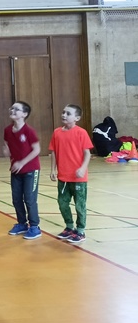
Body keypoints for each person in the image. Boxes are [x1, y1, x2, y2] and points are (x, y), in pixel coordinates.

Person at [49, 104, 93, 244]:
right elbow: (53, 152)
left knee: (80, 205)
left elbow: (87, 153)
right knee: (62, 203)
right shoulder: (57, 132)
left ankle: (80, 230)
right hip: (63, 177)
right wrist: (53, 169)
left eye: (68, 113)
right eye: (63, 112)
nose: (64, 115)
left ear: (77, 118)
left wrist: (83, 168)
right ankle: (69, 227)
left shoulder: (81, 132)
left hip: (79, 178)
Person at [3, 101, 42, 240]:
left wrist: (22, 162)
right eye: (12, 108)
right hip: (16, 170)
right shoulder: (7, 130)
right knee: (16, 199)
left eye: (16, 109)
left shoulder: (29, 131)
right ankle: (22, 223)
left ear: (24, 114)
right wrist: (7, 151)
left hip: (31, 169)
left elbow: (37, 150)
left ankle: (35, 226)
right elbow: (7, 145)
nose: (12, 110)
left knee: (30, 199)